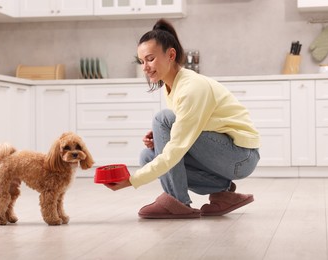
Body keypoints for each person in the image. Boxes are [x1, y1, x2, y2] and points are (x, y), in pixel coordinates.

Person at [105, 18, 260, 219]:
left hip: (241, 156)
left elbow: (177, 147)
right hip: (222, 155)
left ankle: (177, 202)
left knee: (163, 119)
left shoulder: (191, 87)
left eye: (150, 59)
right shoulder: (171, 86)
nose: (145, 67)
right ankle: (223, 192)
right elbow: (184, 133)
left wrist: (132, 180)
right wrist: (161, 139)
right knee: (148, 156)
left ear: (171, 54)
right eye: (142, 61)